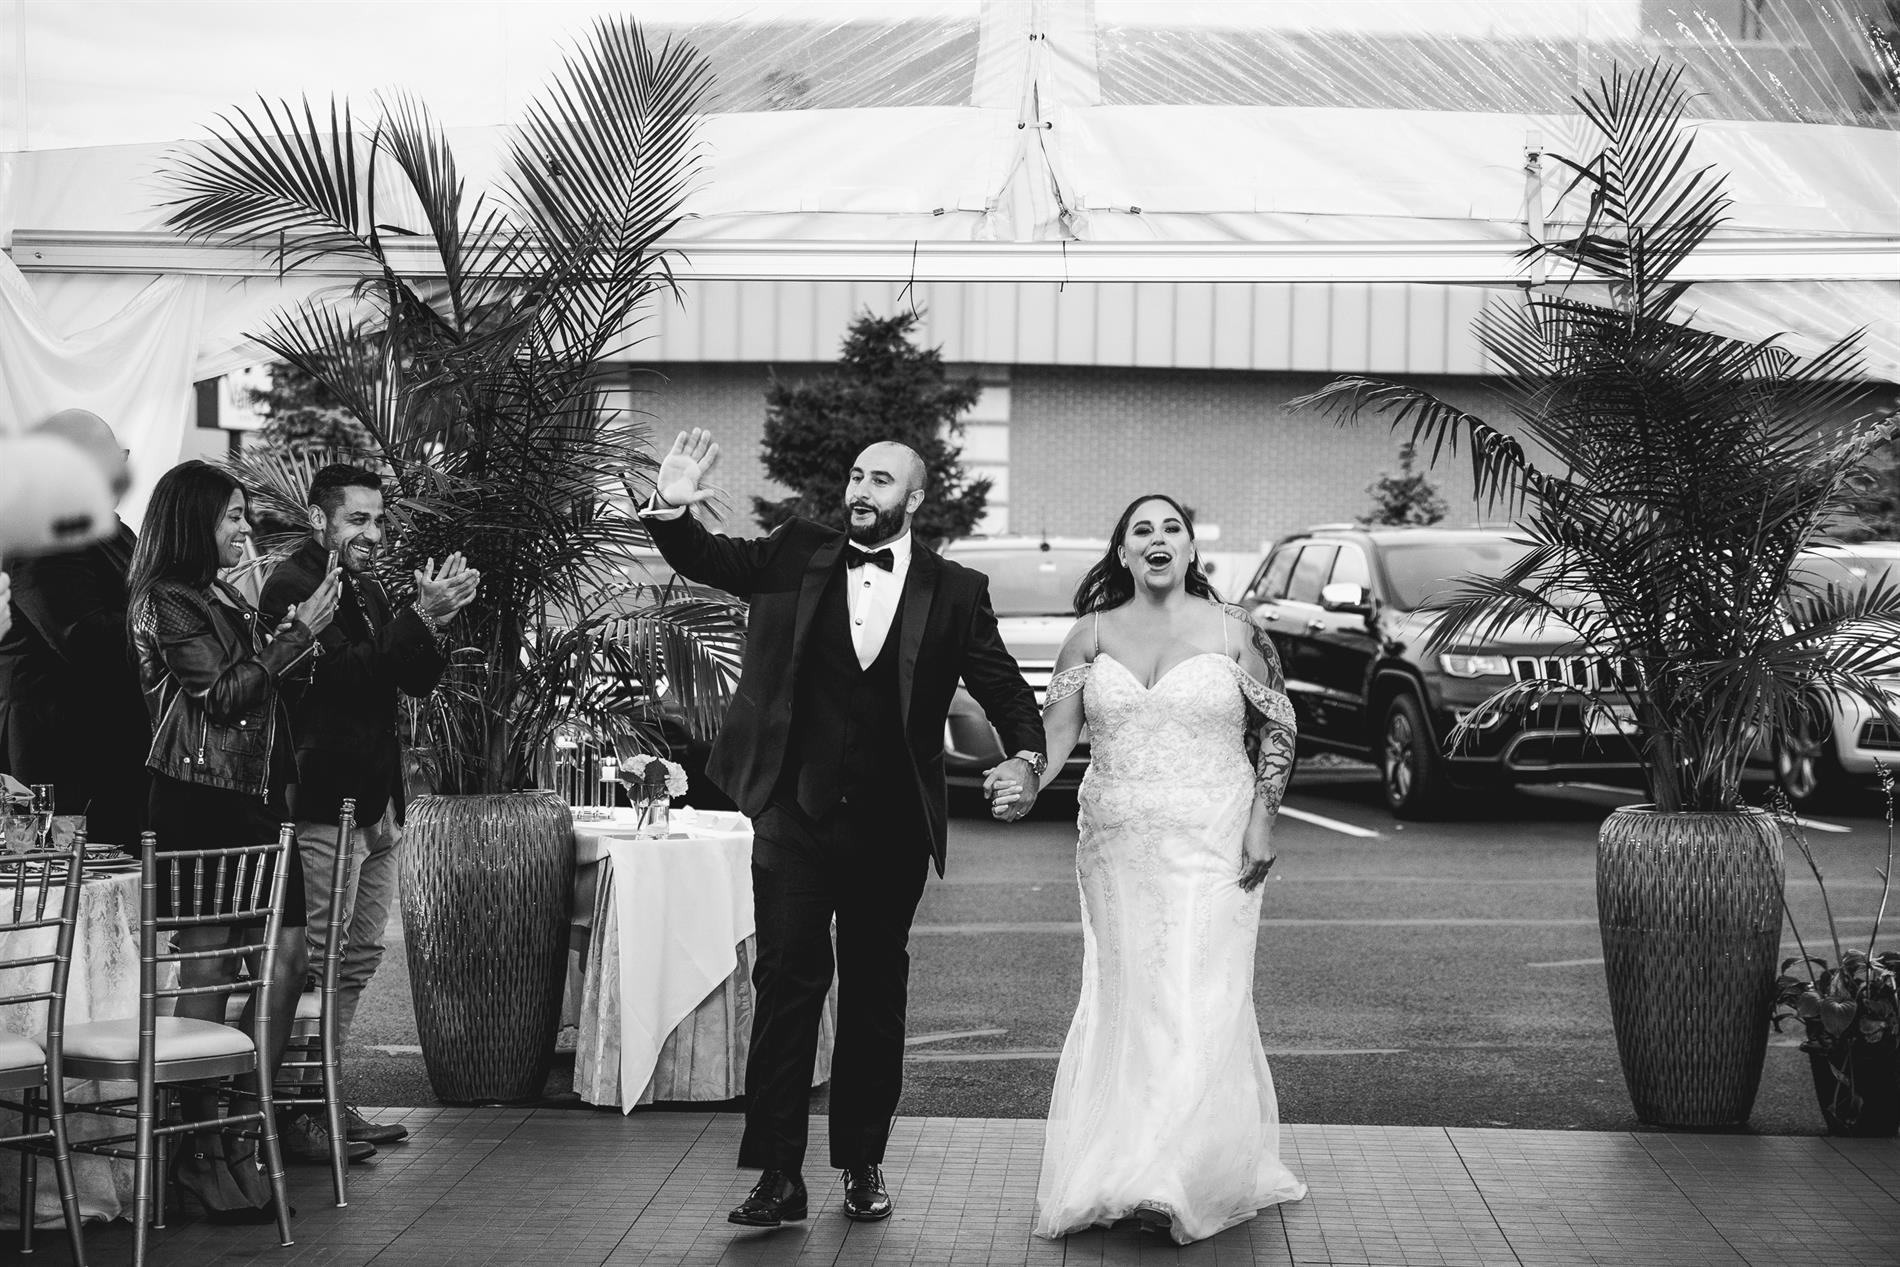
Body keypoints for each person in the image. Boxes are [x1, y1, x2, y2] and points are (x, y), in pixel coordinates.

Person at [635, 428, 1046, 1229]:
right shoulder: (797, 550)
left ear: (914, 497)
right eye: (856, 474)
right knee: (787, 983)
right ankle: (777, 1174)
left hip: (891, 827)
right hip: (794, 812)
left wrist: (1027, 758)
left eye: (880, 479)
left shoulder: (955, 590)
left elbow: (1003, 688)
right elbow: (712, 559)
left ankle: (862, 1159)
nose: (861, 489)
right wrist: (672, 511)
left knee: (873, 995)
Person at [988, 493, 1307, 1245]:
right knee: (1131, 996)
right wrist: (1026, 776)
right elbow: (1056, 737)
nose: (1157, 538)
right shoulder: (1090, 635)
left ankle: (1177, 1173)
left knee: (1201, 992)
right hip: (1115, 844)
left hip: (1214, 835)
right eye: (1142, 530)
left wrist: (1264, 818)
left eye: (1171, 528)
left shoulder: (1237, 631)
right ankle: (1126, 1159)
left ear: (1191, 548)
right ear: (1124, 553)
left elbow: (1279, 727)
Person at [128, 460, 367, 1175]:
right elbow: (226, 694)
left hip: (255, 796)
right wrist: (296, 635)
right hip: (200, 797)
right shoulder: (168, 599)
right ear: (193, 520)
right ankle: (198, 1137)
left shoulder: (218, 592)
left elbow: (262, 688)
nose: (245, 528)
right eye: (232, 515)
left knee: (288, 957)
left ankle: (243, 1114)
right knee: (209, 965)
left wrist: (295, 634)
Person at [259, 463, 475, 1157]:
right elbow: (344, 678)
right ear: (319, 519)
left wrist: (433, 622)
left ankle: (323, 1093)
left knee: (356, 959)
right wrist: (416, 617)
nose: (374, 533)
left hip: (379, 801)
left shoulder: (371, 587)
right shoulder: (293, 586)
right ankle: (291, 1111)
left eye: (379, 520)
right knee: (316, 960)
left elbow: (413, 679)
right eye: (358, 519)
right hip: (325, 799)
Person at [0, 409, 150, 846]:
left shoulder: (112, 530)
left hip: (109, 745)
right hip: (58, 753)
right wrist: (166, 622)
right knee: (62, 875)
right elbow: (84, 637)